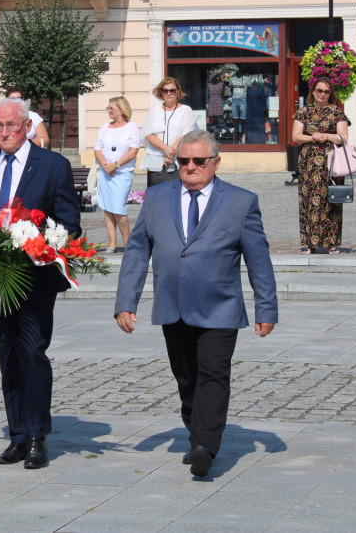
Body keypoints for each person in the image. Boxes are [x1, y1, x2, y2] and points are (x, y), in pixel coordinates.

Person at [114, 130, 278, 478]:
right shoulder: (156, 198)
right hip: (173, 304)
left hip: (220, 305)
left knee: (214, 374)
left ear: (215, 163)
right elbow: (138, 250)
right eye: (184, 160)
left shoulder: (240, 201)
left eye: (199, 161)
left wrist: (267, 308)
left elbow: (259, 260)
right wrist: (127, 301)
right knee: (187, 378)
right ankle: (197, 434)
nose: (190, 167)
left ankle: (205, 444)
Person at [0, 97, 81, 469]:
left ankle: (37, 436)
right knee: (8, 355)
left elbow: (69, 222)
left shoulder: (53, 166)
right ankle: (16, 435)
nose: (3, 133)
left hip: (34, 276)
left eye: (10, 126)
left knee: (32, 352)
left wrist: (40, 243)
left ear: (27, 126)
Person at [292, 79, 350, 254]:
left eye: (326, 91)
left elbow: (344, 138)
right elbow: (296, 136)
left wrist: (326, 135)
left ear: (330, 94)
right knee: (309, 202)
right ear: (313, 92)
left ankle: (332, 242)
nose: (322, 94)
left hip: (332, 164)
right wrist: (313, 138)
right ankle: (310, 243)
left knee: (331, 201)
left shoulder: (337, 113)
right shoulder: (303, 112)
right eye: (319, 91)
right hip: (309, 164)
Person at [94, 96, 140, 253]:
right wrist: (106, 165)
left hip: (122, 173)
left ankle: (128, 243)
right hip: (106, 173)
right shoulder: (105, 127)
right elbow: (97, 149)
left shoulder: (131, 127)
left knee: (119, 208)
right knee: (107, 208)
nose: (109, 111)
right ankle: (112, 242)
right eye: (108, 108)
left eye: (111, 108)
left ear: (121, 109)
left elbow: (133, 151)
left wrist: (117, 164)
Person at [142, 77, 196, 187]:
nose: (169, 93)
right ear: (161, 93)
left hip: (178, 159)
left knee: (177, 196)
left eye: (172, 90)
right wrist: (165, 149)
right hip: (156, 159)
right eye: (165, 91)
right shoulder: (154, 109)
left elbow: (187, 134)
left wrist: (170, 155)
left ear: (178, 92)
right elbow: (148, 134)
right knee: (157, 196)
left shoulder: (186, 110)